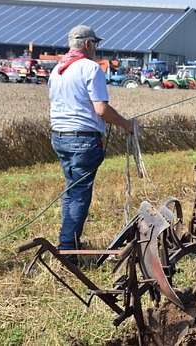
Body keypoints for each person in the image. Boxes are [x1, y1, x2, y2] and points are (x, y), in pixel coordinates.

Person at [48, 24, 134, 263]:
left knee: (71, 190)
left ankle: (69, 242)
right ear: (87, 44)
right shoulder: (90, 68)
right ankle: (68, 250)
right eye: (95, 43)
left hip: (59, 136)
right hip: (83, 139)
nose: (96, 48)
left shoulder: (58, 69)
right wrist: (127, 125)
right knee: (78, 195)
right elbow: (101, 109)